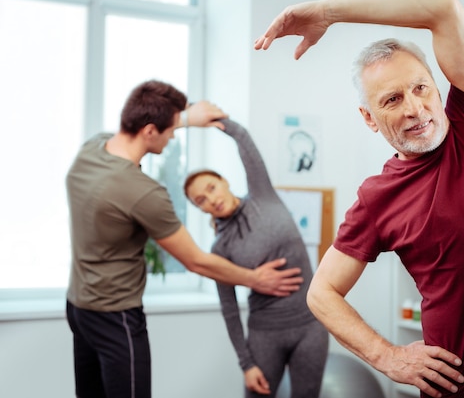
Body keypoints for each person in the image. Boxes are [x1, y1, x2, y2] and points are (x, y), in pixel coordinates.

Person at [254, 0, 464, 398]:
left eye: (420, 88)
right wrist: (386, 356)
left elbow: (442, 7)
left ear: (436, 87)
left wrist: (328, 12)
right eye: (392, 99)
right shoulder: (377, 197)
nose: (414, 109)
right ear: (369, 118)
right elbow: (321, 293)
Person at [65, 79, 304, 398]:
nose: (175, 135)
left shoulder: (92, 149)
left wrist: (188, 117)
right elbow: (196, 260)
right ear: (150, 130)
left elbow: (144, 128)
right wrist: (255, 279)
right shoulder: (144, 192)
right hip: (116, 315)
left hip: (78, 308)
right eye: (171, 129)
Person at [183, 118, 329, 398]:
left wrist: (213, 119)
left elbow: (244, 140)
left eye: (211, 188)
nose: (210, 199)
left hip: (311, 326)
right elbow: (229, 309)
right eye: (200, 200)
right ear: (200, 210)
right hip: (265, 334)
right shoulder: (220, 249)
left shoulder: (263, 197)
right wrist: (246, 364)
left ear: (224, 181)